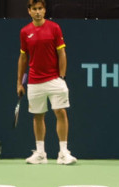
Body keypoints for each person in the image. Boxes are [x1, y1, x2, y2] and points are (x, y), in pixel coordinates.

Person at [18, 0, 76, 165]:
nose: (37, 12)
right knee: (38, 116)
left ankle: (63, 152)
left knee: (61, 112)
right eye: (34, 9)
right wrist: (19, 83)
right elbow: (23, 58)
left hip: (54, 79)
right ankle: (40, 153)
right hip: (35, 82)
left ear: (44, 11)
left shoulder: (54, 28)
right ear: (29, 11)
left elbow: (62, 53)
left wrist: (61, 76)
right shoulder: (25, 32)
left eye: (40, 9)